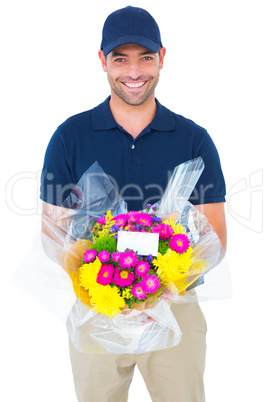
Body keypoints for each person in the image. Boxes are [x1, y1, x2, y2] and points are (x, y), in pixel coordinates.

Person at [40, 6, 227, 402]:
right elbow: (52, 231)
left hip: (176, 307)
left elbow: (216, 239)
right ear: (102, 61)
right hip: (97, 307)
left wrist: (157, 290)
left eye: (144, 57)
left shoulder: (193, 139)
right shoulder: (69, 137)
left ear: (162, 57)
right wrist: (107, 285)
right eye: (120, 58)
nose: (134, 71)